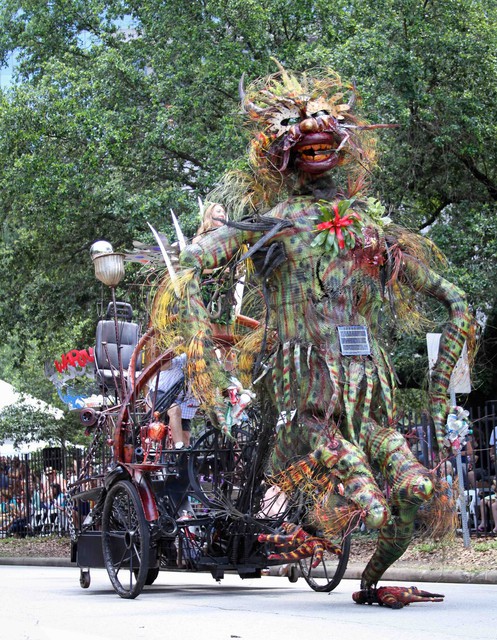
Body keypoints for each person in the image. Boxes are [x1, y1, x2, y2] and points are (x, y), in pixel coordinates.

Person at [161, 64, 473, 601]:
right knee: (372, 506)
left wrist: (440, 395)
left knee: (416, 486)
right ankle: (319, 519)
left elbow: (458, 302)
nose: (313, 134)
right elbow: (185, 268)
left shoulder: (371, 231)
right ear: (280, 152)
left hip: (365, 396)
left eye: (327, 126)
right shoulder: (274, 223)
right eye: (297, 130)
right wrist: (207, 363)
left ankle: (370, 584)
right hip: (305, 402)